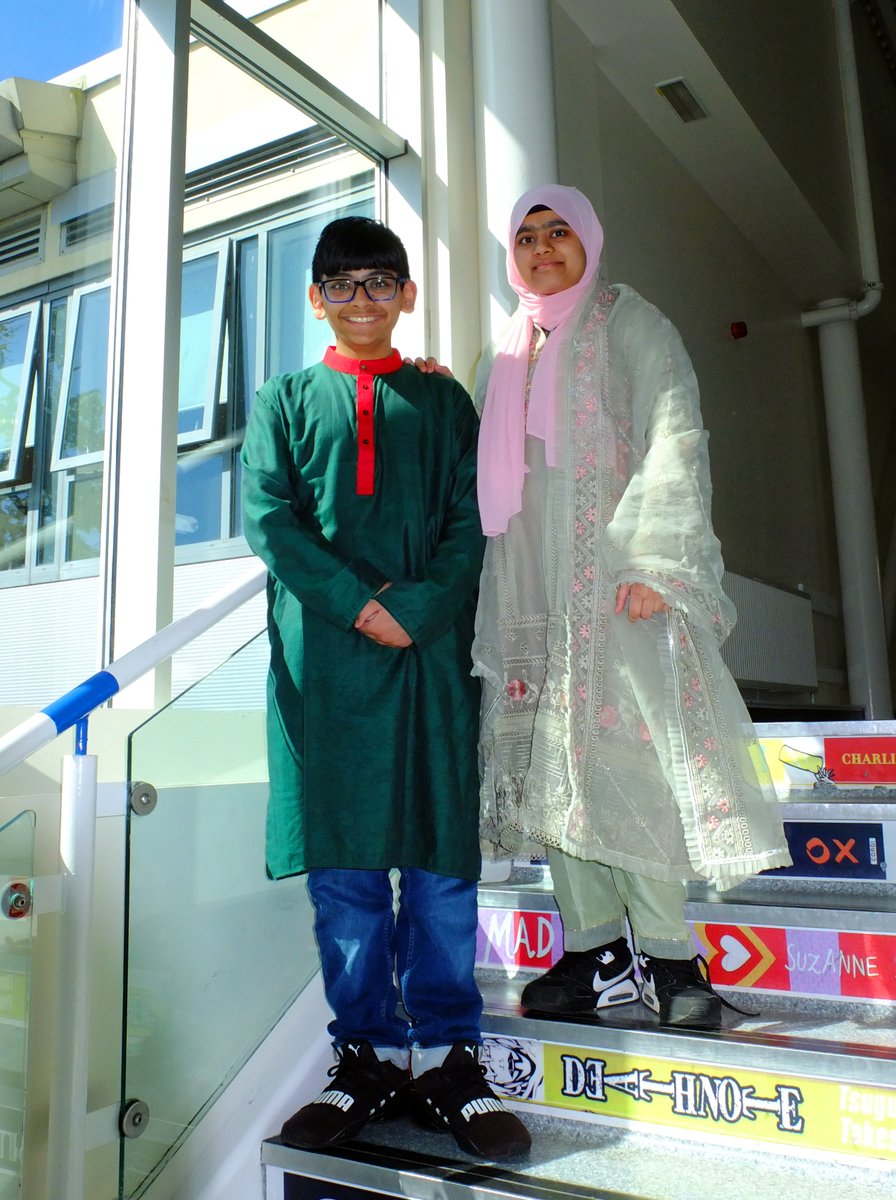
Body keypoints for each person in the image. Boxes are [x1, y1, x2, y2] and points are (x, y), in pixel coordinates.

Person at [240, 216, 530, 1160]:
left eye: (380, 281)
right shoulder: (282, 399)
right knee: (350, 881)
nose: (362, 297)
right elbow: (269, 519)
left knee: (442, 873)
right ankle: (364, 1057)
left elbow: (469, 520)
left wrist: (418, 608)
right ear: (317, 296)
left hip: (430, 658)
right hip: (325, 668)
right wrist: (357, 603)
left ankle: (448, 1060)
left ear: (407, 296)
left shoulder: (445, 406)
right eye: (343, 282)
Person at [473, 185, 791, 1030]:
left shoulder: (630, 322)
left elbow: (675, 431)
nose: (543, 249)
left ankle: (670, 957)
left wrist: (657, 558)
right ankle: (593, 954)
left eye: (560, 232)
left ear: (590, 241)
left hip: (618, 585)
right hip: (532, 598)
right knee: (555, 779)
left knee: (631, 769)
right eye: (528, 237)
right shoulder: (504, 354)